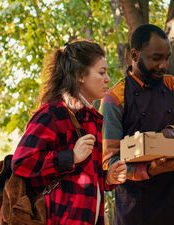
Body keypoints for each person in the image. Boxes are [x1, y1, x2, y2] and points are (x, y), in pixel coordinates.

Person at [11, 40, 127, 225]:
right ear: (80, 75)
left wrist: (108, 178)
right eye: (101, 72)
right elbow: (21, 162)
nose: (107, 79)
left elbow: (87, 177)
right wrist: (70, 156)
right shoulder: (53, 114)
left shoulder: (93, 119)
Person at [102, 24, 174, 225]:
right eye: (156, 58)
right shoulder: (114, 98)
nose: (163, 66)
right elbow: (110, 162)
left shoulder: (173, 86)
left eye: (166, 58)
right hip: (134, 211)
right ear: (135, 55)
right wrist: (149, 169)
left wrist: (168, 136)